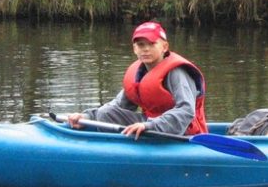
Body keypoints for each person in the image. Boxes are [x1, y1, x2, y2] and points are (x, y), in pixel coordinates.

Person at [66, 21, 208, 138]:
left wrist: (150, 125)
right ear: (134, 49)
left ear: (164, 47)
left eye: (151, 44)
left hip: (183, 134)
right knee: (105, 113)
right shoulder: (138, 73)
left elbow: (186, 111)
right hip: (152, 127)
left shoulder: (177, 73)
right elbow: (118, 106)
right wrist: (86, 117)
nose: (145, 49)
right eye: (140, 45)